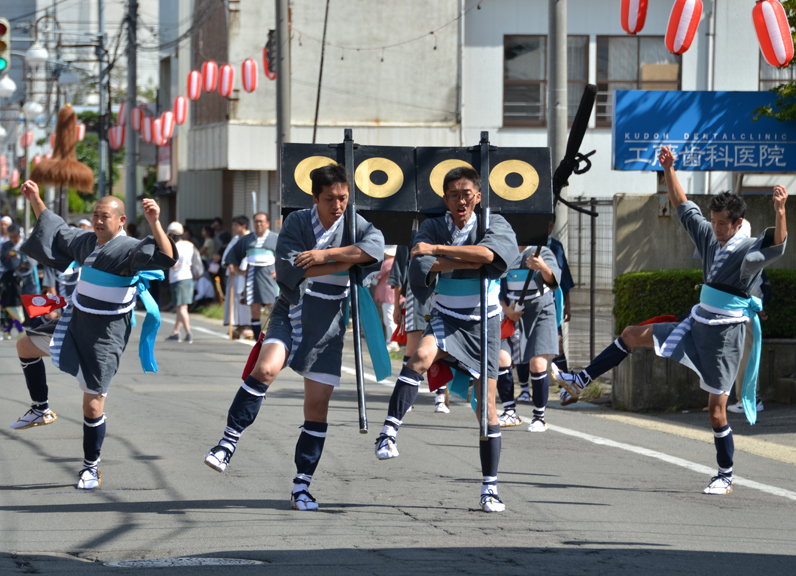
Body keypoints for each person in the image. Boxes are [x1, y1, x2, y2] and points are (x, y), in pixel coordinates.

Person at [552, 146, 787, 495]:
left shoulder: (749, 250)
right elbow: (682, 205)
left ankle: (724, 474)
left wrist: (780, 211)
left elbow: (779, 244)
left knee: (716, 413)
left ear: (738, 223)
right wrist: (669, 169)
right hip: (696, 324)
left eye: (724, 223)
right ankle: (580, 380)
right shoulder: (709, 236)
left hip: (725, 338)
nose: (717, 228)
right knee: (632, 334)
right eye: (715, 221)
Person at [204, 162, 384, 511]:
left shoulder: (355, 222)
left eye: (343, 198)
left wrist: (325, 255)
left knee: (317, 408)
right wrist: (347, 261)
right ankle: (227, 442)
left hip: (330, 320)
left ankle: (302, 485)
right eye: (330, 198)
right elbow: (289, 269)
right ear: (315, 197)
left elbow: (372, 250)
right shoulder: (297, 222)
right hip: (291, 308)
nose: (338, 205)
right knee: (266, 368)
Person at [10, 180, 175, 490]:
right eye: (96, 215)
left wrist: (154, 222)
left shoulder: (129, 247)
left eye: (105, 216)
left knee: (93, 405)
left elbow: (166, 258)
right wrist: (34, 199)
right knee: (25, 345)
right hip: (75, 320)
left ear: (121, 220)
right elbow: (56, 229)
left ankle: (90, 466)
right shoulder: (87, 241)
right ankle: (41, 408)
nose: (99, 221)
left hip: (106, 333)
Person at [374, 166, 518, 513]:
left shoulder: (493, 224)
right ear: (445, 199)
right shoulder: (431, 224)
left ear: (478, 196)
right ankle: (389, 431)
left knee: (487, 409)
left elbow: (492, 257)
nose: (460, 200)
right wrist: (464, 258)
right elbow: (420, 267)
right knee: (419, 358)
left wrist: (441, 253)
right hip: (446, 315)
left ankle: (489, 489)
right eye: (453, 195)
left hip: (484, 321)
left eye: (466, 193)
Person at [498, 244, 561, 432]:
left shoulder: (542, 251)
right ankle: (509, 411)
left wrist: (543, 267)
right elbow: (496, 287)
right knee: (501, 358)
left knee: (538, 364)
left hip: (541, 312)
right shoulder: (504, 250)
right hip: (511, 314)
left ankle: (539, 417)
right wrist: (505, 309)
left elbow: (553, 279)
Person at [390, 238, 450, 413]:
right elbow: (398, 272)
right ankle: (404, 399)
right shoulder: (411, 234)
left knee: (441, 347)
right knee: (412, 349)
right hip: (415, 296)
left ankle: (440, 398)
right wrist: (396, 307)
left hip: (443, 292)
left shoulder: (445, 231)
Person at [224, 212, 279, 340]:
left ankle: (273, 337)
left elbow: (285, 257)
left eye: (261, 221)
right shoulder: (247, 239)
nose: (259, 224)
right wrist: (233, 266)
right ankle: (257, 339)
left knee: (273, 309)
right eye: (256, 222)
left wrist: (279, 271)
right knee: (255, 310)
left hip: (269, 276)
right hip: (252, 276)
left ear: (267, 223)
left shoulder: (275, 238)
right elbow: (234, 254)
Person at [164, 221, 199, 343]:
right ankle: (175, 332)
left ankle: (189, 333)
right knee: (181, 307)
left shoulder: (174, 247)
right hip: (188, 277)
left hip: (178, 278)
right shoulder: (190, 245)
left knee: (181, 307)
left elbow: (174, 265)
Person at [222, 216, 252, 334]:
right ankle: (238, 324)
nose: (233, 228)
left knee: (244, 299)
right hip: (234, 274)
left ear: (243, 226)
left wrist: (242, 267)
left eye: (236, 225)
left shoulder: (250, 238)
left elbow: (250, 255)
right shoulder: (235, 239)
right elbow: (228, 255)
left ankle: (248, 325)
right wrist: (230, 263)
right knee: (234, 299)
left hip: (245, 275)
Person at [375, 245, 399, 353]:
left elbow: (377, 275)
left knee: (389, 318)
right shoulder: (397, 261)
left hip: (388, 293)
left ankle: (392, 341)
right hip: (393, 293)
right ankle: (392, 340)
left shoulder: (388, 262)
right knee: (391, 318)